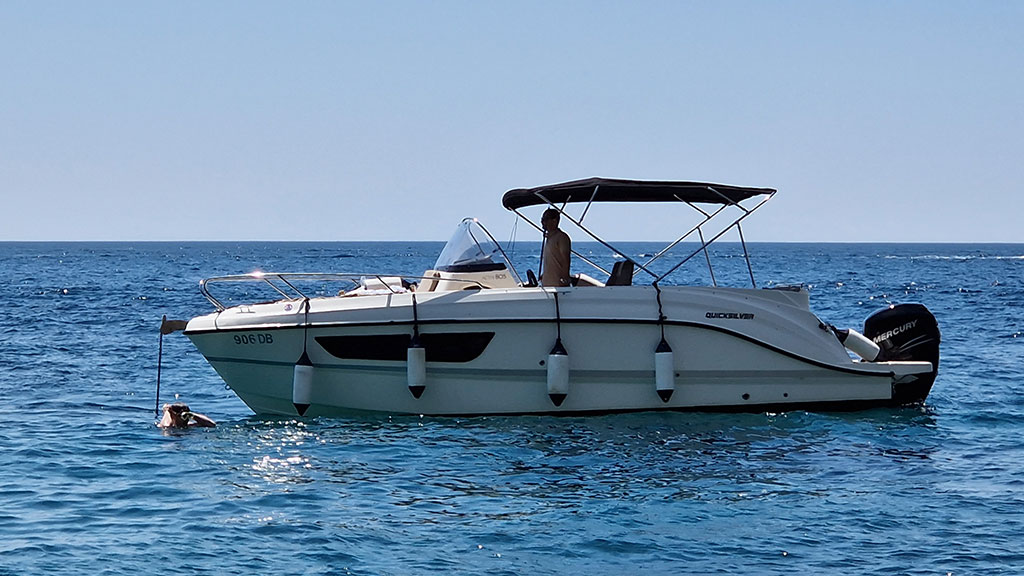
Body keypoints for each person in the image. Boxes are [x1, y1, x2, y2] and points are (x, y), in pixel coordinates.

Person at [540, 208, 572, 287]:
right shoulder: (549, 238)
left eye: (545, 219)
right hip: (547, 284)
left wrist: (564, 279)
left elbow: (566, 259)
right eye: (542, 219)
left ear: (554, 221)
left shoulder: (561, 237)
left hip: (557, 286)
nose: (542, 222)